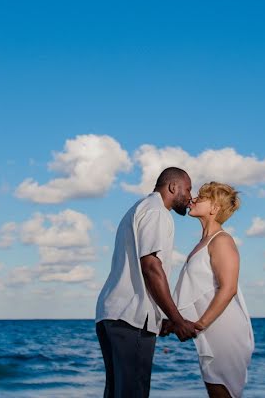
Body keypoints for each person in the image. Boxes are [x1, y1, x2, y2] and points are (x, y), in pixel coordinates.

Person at [95, 167, 197, 398]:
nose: (191, 197)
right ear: (173, 187)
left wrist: (158, 318)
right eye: (188, 189)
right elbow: (151, 267)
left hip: (113, 315)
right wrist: (177, 319)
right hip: (131, 318)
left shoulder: (139, 208)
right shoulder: (157, 212)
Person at [174, 182, 254, 398]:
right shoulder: (204, 241)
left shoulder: (222, 241)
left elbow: (229, 289)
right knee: (215, 389)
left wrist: (200, 324)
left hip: (223, 327)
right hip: (210, 327)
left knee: (222, 390)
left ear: (214, 208)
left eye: (201, 197)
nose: (193, 199)